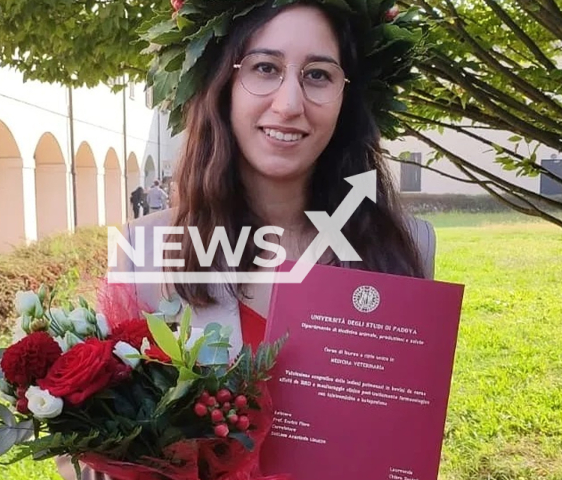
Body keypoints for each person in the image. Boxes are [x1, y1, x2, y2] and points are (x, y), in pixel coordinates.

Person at [56, 1, 435, 478]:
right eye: (264, 67)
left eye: (318, 75)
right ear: (223, 85)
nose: (290, 103)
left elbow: (399, 428)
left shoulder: (408, 244)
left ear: (347, 95)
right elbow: (96, 449)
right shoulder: (145, 251)